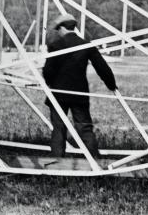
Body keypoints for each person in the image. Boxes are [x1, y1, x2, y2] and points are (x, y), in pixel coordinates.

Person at [42, 13, 117, 159]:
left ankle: (56, 164)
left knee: (59, 128)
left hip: (58, 94)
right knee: (85, 128)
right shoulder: (86, 45)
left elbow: (48, 71)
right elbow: (102, 67)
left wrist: (49, 83)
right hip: (79, 94)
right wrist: (111, 84)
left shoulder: (56, 46)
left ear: (62, 28)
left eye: (58, 30)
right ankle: (95, 161)